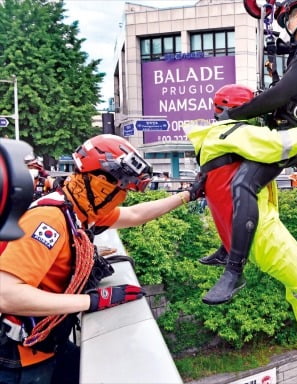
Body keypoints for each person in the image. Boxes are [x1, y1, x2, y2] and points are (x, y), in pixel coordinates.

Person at [188, 86, 297, 383]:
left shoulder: (211, 139)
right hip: (261, 231)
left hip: (250, 229)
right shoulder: (233, 132)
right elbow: (274, 145)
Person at [0, 134, 196, 384]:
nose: (122, 196)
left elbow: (134, 214)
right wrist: (92, 300)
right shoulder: (50, 220)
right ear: (100, 183)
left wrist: (187, 195)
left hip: (48, 342)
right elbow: (5, 295)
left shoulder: (79, 210)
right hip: (21, 355)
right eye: (121, 188)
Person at [199, 0, 297, 305]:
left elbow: (279, 94)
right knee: (229, 165)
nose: (285, 26)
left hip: (295, 138)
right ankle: (228, 247)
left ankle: (234, 272)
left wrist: (234, 114)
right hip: (285, 133)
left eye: (286, 20)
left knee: (242, 183)